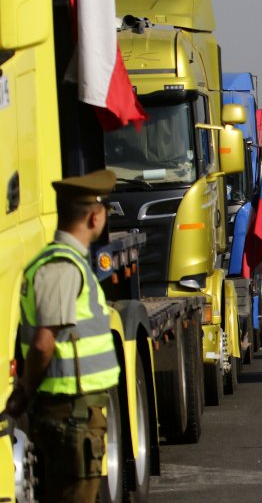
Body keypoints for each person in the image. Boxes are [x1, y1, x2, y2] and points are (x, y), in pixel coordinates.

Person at [4, 169, 120, 503]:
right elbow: (44, 342)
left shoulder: (69, 263)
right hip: (70, 415)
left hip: (74, 413)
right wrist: (24, 391)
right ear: (93, 216)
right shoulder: (61, 266)